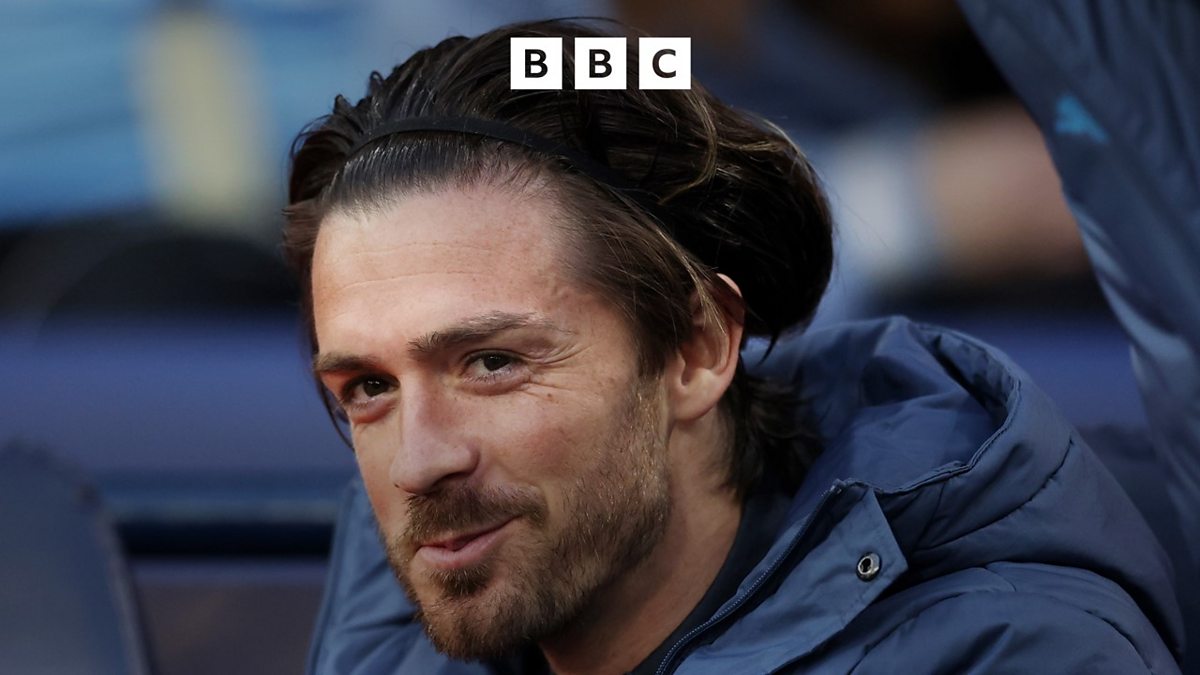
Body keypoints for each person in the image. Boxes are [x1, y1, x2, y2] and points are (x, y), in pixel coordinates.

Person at [284, 19, 1181, 674]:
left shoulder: (1007, 652)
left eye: (492, 362)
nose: (418, 462)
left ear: (699, 348)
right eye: (367, 386)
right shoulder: (407, 628)